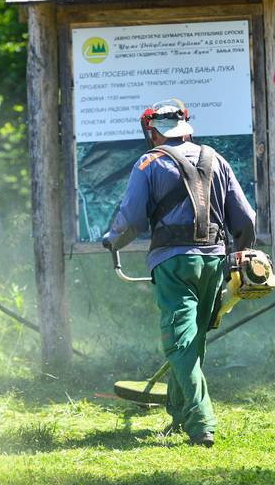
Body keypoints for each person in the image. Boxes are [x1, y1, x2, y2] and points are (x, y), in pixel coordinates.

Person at [102, 100, 256, 448]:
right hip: (216, 261)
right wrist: (241, 249)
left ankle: (202, 423)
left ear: (152, 130)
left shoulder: (149, 161)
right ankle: (178, 413)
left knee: (181, 342)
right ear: (186, 126)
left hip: (173, 264)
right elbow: (245, 218)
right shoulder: (216, 159)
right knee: (195, 341)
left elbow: (132, 218)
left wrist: (112, 240)